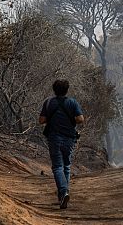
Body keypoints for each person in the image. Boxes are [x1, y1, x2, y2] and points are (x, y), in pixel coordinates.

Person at [39, 79, 85, 209]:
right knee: (66, 166)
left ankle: (63, 192)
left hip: (54, 138)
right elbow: (80, 119)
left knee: (57, 167)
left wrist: (52, 118)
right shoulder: (72, 102)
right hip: (69, 138)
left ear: (54, 90)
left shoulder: (48, 102)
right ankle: (63, 194)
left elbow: (41, 120)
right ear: (67, 90)